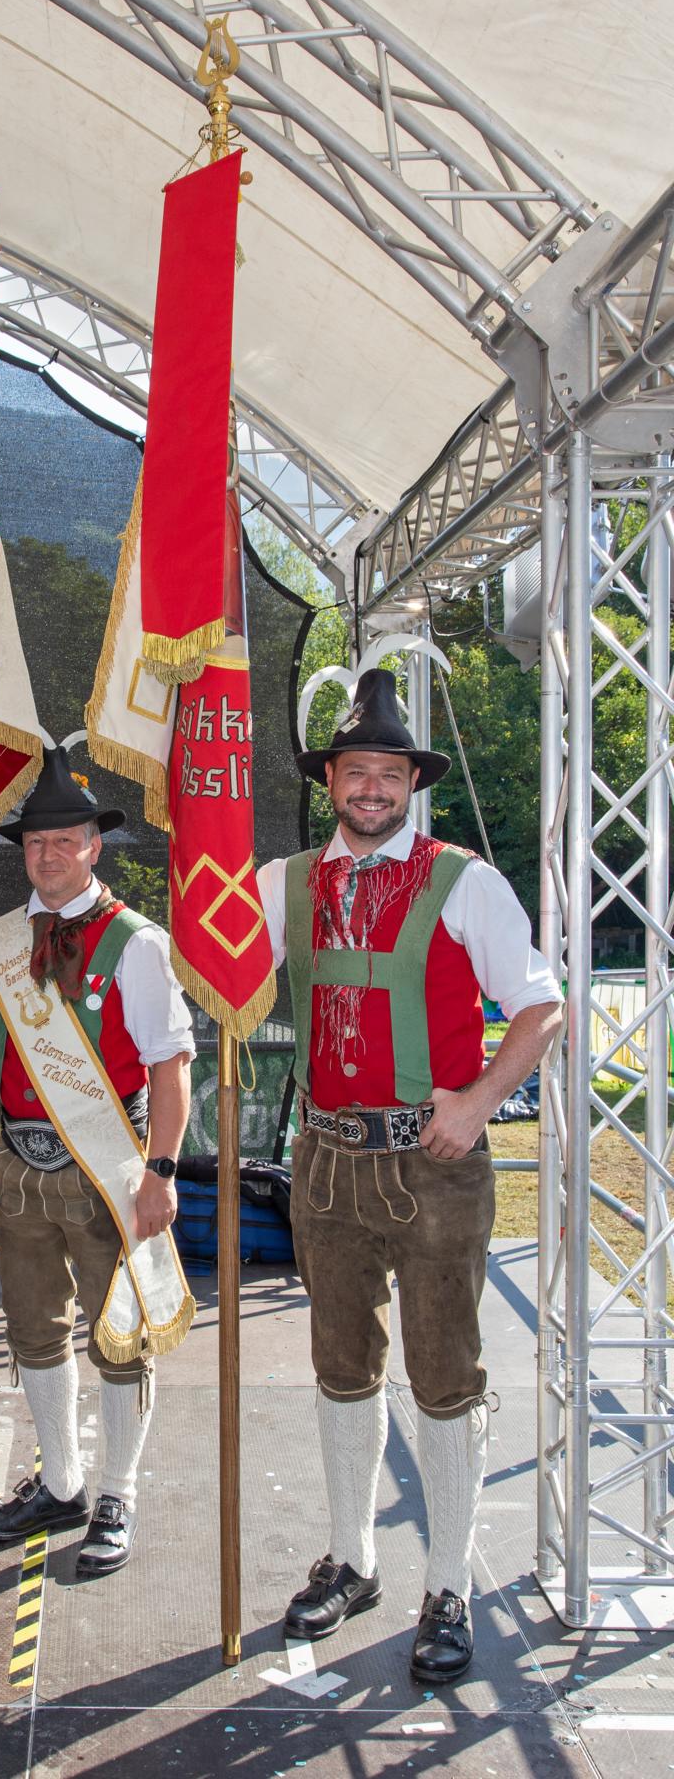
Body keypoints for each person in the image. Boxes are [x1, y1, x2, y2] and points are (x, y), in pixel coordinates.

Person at [257, 668, 562, 1683]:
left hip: (435, 1168)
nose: (372, 788)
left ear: (412, 785)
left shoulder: (464, 881)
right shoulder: (283, 882)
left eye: (390, 773)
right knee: (342, 1365)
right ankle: (353, 1560)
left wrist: (477, 1103)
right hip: (326, 1161)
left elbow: (541, 1006)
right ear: (331, 780)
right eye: (356, 770)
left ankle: (448, 1584)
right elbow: (209, 971)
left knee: (444, 1373)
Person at [0, 743, 195, 1574]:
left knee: (121, 1339)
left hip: (109, 1170)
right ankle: (62, 1483)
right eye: (35, 842)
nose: (47, 855)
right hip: (19, 1168)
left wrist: (162, 1173)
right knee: (35, 1332)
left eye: (63, 840)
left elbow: (171, 1067)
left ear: (93, 846)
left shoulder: (138, 943)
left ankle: (118, 1493)